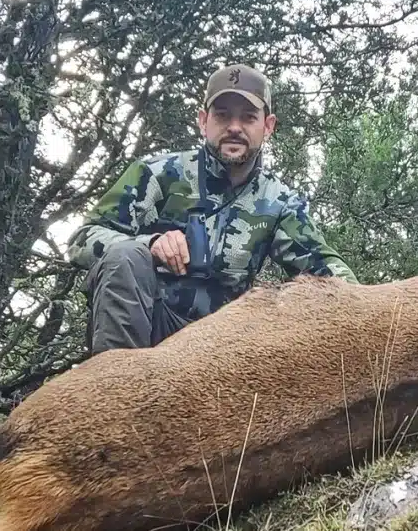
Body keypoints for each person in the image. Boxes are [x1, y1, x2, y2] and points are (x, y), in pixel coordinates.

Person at [66, 64, 359, 355]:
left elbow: (325, 267)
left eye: (248, 117)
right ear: (203, 121)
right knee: (125, 257)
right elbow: (83, 239)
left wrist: (372, 306)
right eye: (222, 115)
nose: (234, 127)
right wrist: (150, 244)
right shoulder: (157, 174)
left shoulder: (280, 201)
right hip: (151, 326)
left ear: (267, 127)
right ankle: (117, 389)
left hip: (225, 345)